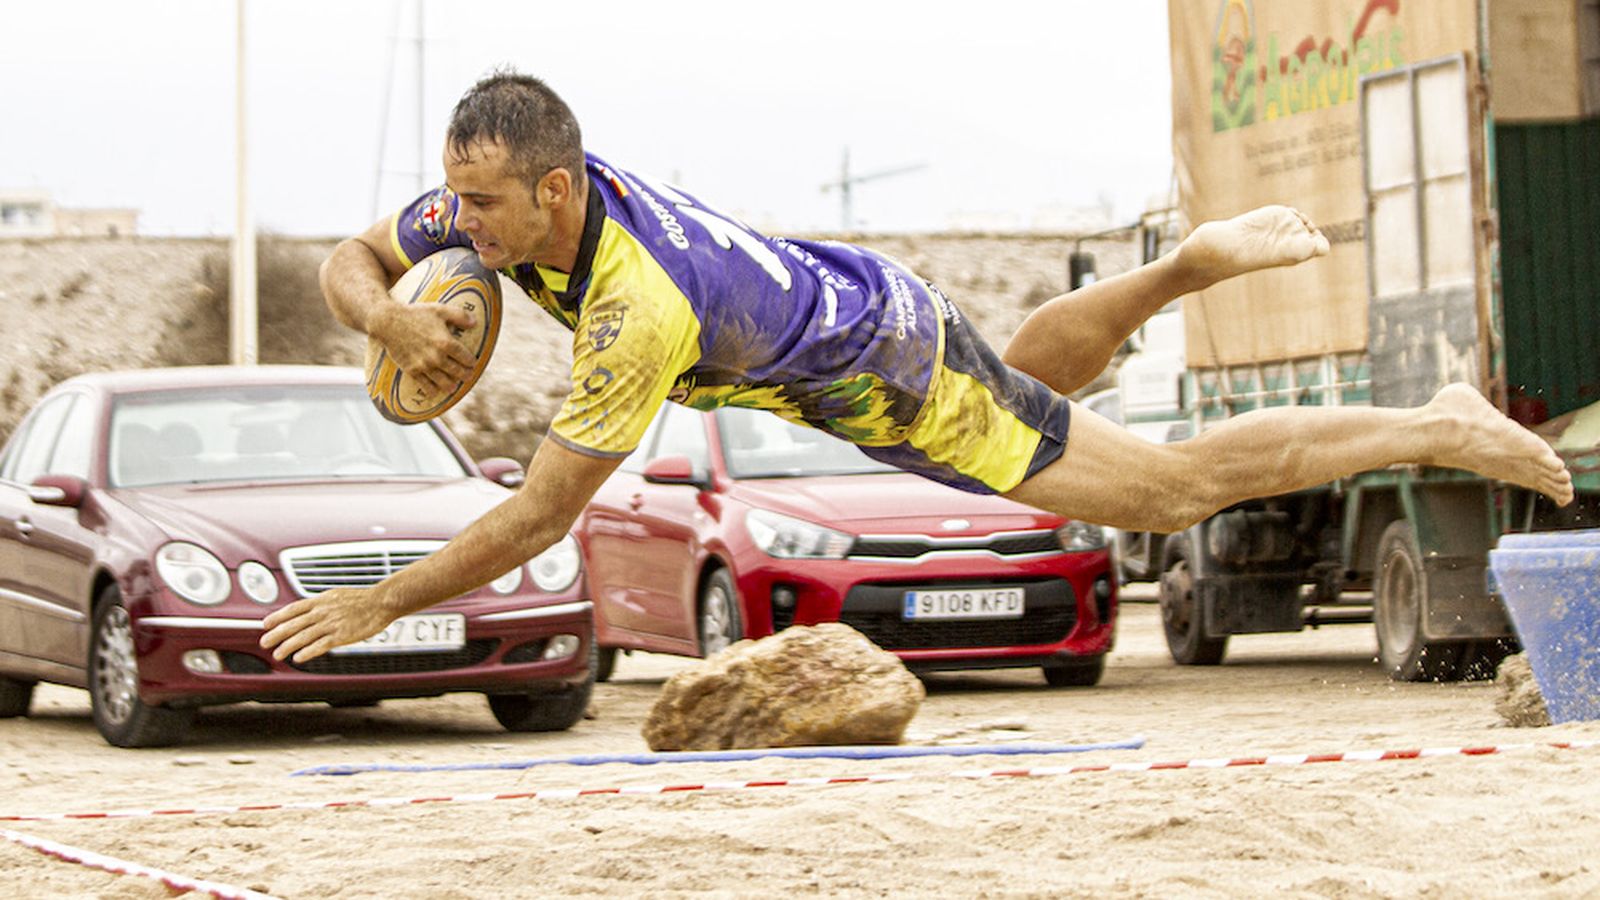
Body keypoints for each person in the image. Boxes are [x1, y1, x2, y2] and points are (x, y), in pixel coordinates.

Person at [261, 70, 1573, 664]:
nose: (460, 233)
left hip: (878, 367)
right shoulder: (504, 199)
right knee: (1038, 401)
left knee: (1163, 492)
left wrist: (382, 603)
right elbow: (348, 258)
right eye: (453, 206)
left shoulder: (635, 311)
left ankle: (1436, 422)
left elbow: (542, 511)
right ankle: (1178, 268)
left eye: (482, 210)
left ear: (552, 188)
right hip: (861, 313)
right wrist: (385, 322)